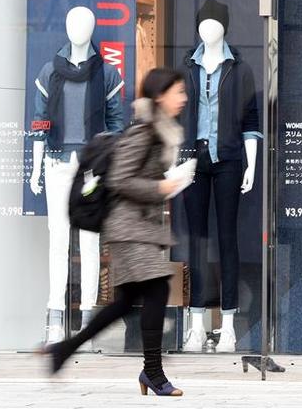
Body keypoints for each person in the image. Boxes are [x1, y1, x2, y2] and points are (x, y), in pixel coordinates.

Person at [42, 68, 188, 397]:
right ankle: (153, 373)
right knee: (156, 292)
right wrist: (161, 186)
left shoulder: (160, 130)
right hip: (128, 226)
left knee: (125, 302)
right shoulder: (145, 131)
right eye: (178, 92)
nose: (183, 98)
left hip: (138, 226)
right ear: (160, 95)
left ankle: (64, 350)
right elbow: (120, 179)